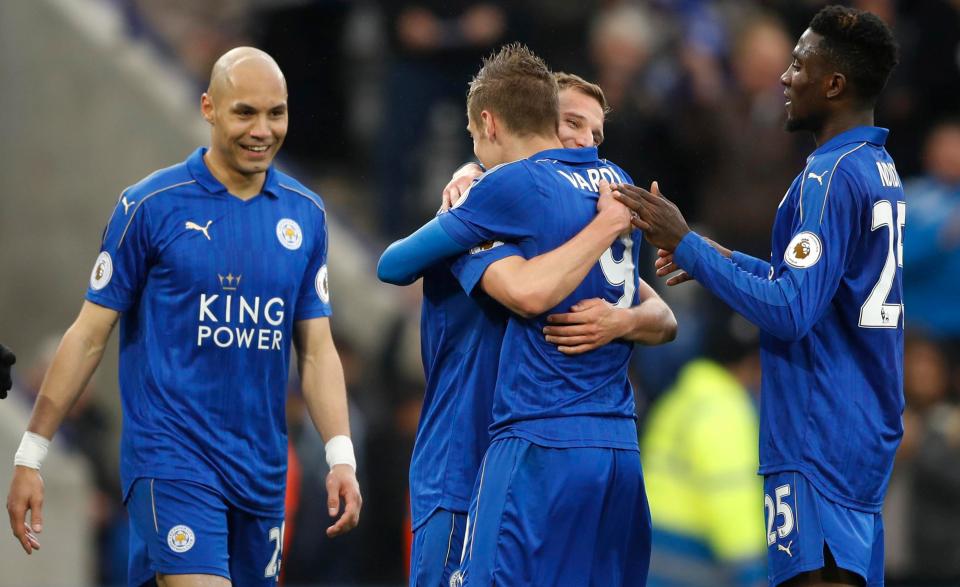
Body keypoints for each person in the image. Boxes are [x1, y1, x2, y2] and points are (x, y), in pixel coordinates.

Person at [6, 47, 361, 586]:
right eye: (245, 112)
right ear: (209, 108)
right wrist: (31, 454)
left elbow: (315, 350)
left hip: (262, 473)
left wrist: (341, 456)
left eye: (276, 113)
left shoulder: (305, 215)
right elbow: (88, 337)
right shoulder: (150, 207)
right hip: (172, 462)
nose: (262, 129)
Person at [614, 6, 903, 586]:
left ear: (834, 83)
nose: (784, 78)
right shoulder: (877, 166)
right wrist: (713, 255)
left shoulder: (829, 175)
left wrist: (686, 246)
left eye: (798, 65)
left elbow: (792, 310)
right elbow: (814, 287)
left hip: (815, 437)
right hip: (860, 429)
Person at [379, 43, 654, 585]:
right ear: (544, 122)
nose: (583, 144)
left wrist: (623, 320)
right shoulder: (497, 202)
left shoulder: (533, 201)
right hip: (479, 459)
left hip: (519, 454)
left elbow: (656, 312)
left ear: (489, 121)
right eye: (572, 125)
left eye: (595, 136)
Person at [642, 309, 766, 587]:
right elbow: (731, 496)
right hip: (692, 562)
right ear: (752, 363)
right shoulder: (725, 410)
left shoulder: (683, 395)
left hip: (654, 553)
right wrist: (753, 573)